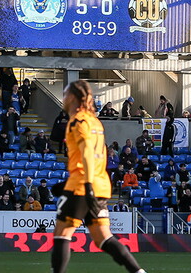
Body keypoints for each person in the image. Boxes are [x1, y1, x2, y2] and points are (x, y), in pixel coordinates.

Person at [51, 80, 147, 273]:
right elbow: (98, 154)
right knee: (103, 237)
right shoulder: (95, 122)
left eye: (66, 94)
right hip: (101, 184)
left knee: (62, 233)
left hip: (83, 184)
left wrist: (86, 185)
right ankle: (139, 272)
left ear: (73, 98)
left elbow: (86, 150)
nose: (63, 98)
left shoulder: (77, 120)